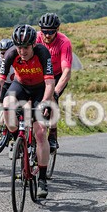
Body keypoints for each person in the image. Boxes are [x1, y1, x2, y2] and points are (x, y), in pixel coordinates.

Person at [0, 24, 55, 199]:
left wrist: (45, 103)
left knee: (40, 132)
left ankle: (43, 179)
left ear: (33, 45)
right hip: (20, 85)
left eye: (26, 47)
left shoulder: (43, 53)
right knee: (7, 103)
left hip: (39, 89)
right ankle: (18, 142)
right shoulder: (11, 54)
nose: (22, 51)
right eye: (19, 47)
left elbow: (50, 83)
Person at [36, 13, 73, 150]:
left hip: (57, 75)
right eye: (44, 31)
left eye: (51, 31)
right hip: (39, 74)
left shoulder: (64, 42)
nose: (47, 35)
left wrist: (55, 92)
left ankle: (52, 133)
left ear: (57, 30)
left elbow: (67, 72)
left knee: (51, 99)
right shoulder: (36, 38)